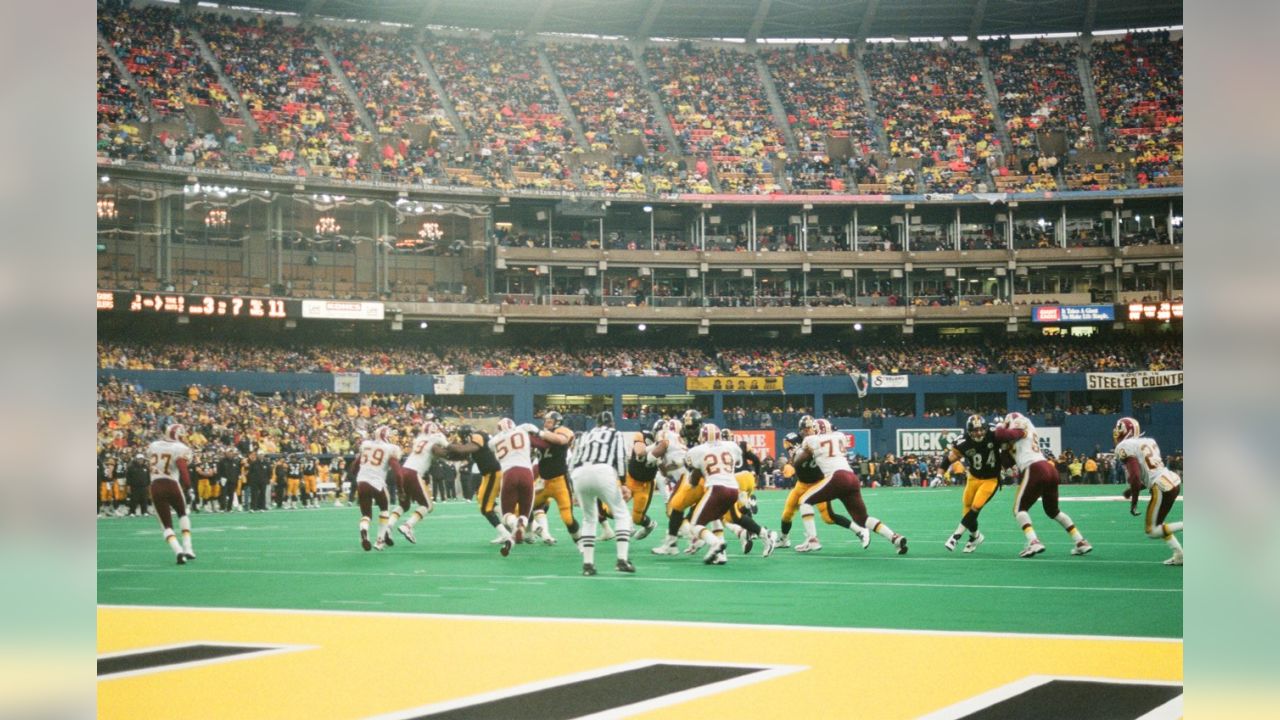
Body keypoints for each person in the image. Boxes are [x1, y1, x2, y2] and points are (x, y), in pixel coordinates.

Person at [792, 419, 907, 554]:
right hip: (851, 478)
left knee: (804, 501)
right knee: (862, 519)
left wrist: (798, 452)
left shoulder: (811, 440)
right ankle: (894, 537)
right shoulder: (839, 436)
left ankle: (812, 540)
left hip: (836, 477)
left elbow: (798, 462)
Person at [994, 412, 1092, 558]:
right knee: (1053, 511)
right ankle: (1080, 541)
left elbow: (1004, 434)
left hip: (1034, 468)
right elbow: (1007, 461)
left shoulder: (1020, 425)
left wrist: (999, 427)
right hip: (1049, 469)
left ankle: (1033, 541)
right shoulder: (1020, 436)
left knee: (1019, 509)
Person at [568, 410, 636, 575]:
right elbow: (620, 458)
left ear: (596, 424)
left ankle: (588, 565)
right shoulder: (615, 433)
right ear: (612, 423)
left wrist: (573, 490)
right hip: (602, 471)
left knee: (589, 519)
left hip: (579, 473)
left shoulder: (584, 435)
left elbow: (572, 461)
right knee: (622, 514)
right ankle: (621, 560)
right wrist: (624, 483)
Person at [776, 417, 857, 552]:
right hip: (801, 484)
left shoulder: (822, 440)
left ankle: (858, 530)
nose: (807, 431)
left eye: (809, 428)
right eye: (804, 429)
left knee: (828, 517)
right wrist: (788, 464)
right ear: (800, 430)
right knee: (787, 513)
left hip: (819, 483)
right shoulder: (794, 440)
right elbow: (793, 458)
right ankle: (784, 539)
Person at [1113, 418, 1184, 565]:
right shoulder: (1149, 441)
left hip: (1161, 487)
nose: (1116, 432)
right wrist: (1131, 491)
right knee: (1160, 524)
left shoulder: (1125, 446)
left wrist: (1134, 502)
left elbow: (1135, 476)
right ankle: (1179, 554)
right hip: (1172, 481)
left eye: (1119, 429)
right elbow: (1149, 475)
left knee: (1151, 531)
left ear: (1126, 430)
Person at [684, 423, 743, 565]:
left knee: (695, 525)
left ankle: (716, 543)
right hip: (734, 489)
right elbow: (738, 462)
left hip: (716, 488)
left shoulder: (697, 450)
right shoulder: (731, 446)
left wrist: (693, 482)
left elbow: (694, 476)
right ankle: (721, 555)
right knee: (716, 517)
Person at [943, 414, 1002, 553]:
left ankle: (955, 537)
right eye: (975, 430)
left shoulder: (995, 434)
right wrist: (939, 474)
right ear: (969, 431)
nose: (979, 432)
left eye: (981, 429)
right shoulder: (963, 441)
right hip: (973, 477)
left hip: (991, 479)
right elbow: (949, 458)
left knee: (976, 507)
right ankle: (975, 536)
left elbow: (1010, 446)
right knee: (967, 509)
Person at [487, 417, 542, 556]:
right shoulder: (523, 428)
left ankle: (514, 525)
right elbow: (535, 431)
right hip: (526, 472)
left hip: (509, 474)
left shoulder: (494, 441)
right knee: (525, 512)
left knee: (506, 514)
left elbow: (492, 445)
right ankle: (520, 525)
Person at [446, 425, 509, 546]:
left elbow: (464, 449)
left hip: (493, 473)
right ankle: (505, 516)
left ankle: (505, 532)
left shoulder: (478, 436)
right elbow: (460, 453)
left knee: (485, 508)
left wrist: (447, 444)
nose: (463, 440)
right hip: (488, 474)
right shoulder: (475, 440)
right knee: (481, 498)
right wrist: (444, 452)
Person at [346, 425, 403, 551]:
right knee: (384, 509)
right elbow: (398, 472)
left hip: (362, 482)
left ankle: (364, 533)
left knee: (366, 514)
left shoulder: (366, 445)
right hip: (377, 482)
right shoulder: (390, 449)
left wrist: (361, 474)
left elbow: (354, 467)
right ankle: (379, 540)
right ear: (387, 436)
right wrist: (401, 488)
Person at [145, 424, 196, 564]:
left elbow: (151, 459)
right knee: (182, 514)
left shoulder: (154, 445)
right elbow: (182, 468)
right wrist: (189, 487)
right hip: (172, 484)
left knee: (166, 525)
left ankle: (178, 551)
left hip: (155, 485)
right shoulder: (180, 448)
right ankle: (188, 547)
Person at [530, 411, 581, 545]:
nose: (546, 423)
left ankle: (581, 544)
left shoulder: (563, 431)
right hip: (543, 481)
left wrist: (538, 433)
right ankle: (540, 531)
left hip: (559, 481)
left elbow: (561, 440)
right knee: (521, 509)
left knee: (568, 518)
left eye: (549, 421)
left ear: (557, 422)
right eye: (545, 421)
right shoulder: (542, 434)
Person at [395, 420, 446, 544]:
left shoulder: (418, 440)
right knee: (428, 505)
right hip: (414, 473)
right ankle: (408, 525)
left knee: (403, 505)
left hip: (404, 469)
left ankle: (387, 528)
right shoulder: (436, 438)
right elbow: (446, 447)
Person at [125, 453, 151, 517]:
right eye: (139, 459)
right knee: (133, 500)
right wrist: (128, 486)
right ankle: (132, 512)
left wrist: (149, 485)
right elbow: (128, 477)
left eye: (142, 459)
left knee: (144, 500)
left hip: (144, 486)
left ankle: (144, 511)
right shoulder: (131, 467)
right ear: (136, 459)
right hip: (134, 487)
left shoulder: (146, 467)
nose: (140, 460)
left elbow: (148, 477)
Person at [216, 448, 241, 513]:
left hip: (232, 480)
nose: (230, 454)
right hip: (224, 480)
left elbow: (238, 471)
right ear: (226, 453)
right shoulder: (222, 461)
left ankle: (229, 508)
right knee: (223, 494)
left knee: (231, 494)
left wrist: (237, 479)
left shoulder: (236, 461)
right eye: (229, 452)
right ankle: (222, 507)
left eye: (231, 452)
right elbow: (219, 471)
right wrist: (220, 479)